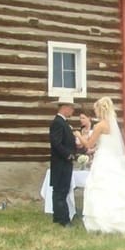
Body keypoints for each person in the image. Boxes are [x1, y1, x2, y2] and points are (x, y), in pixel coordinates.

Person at [75, 97, 125, 233]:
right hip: (112, 160)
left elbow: (89, 144)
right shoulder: (112, 125)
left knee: (101, 187)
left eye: (96, 110)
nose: (95, 113)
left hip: (102, 160)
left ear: (101, 110)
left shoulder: (99, 126)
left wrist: (78, 135)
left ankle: (102, 221)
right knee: (115, 188)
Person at [49, 96, 77, 227]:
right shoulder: (58, 123)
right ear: (65, 108)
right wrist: (69, 155)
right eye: (72, 108)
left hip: (64, 163)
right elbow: (56, 143)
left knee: (61, 190)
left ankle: (58, 216)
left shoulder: (63, 122)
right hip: (61, 163)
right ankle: (64, 220)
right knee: (60, 191)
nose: (73, 111)